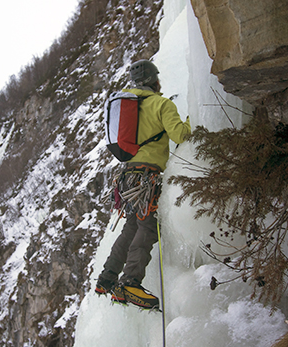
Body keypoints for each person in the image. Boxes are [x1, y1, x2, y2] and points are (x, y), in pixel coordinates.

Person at [96, 59, 191, 310]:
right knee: (148, 227)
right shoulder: (162, 104)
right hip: (147, 178)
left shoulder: (127, 105)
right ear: (154, 81)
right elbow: (181, 135)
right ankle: (130, 282)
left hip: (127, 177)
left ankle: (107, 278)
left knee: (131, 226)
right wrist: (192, 118)